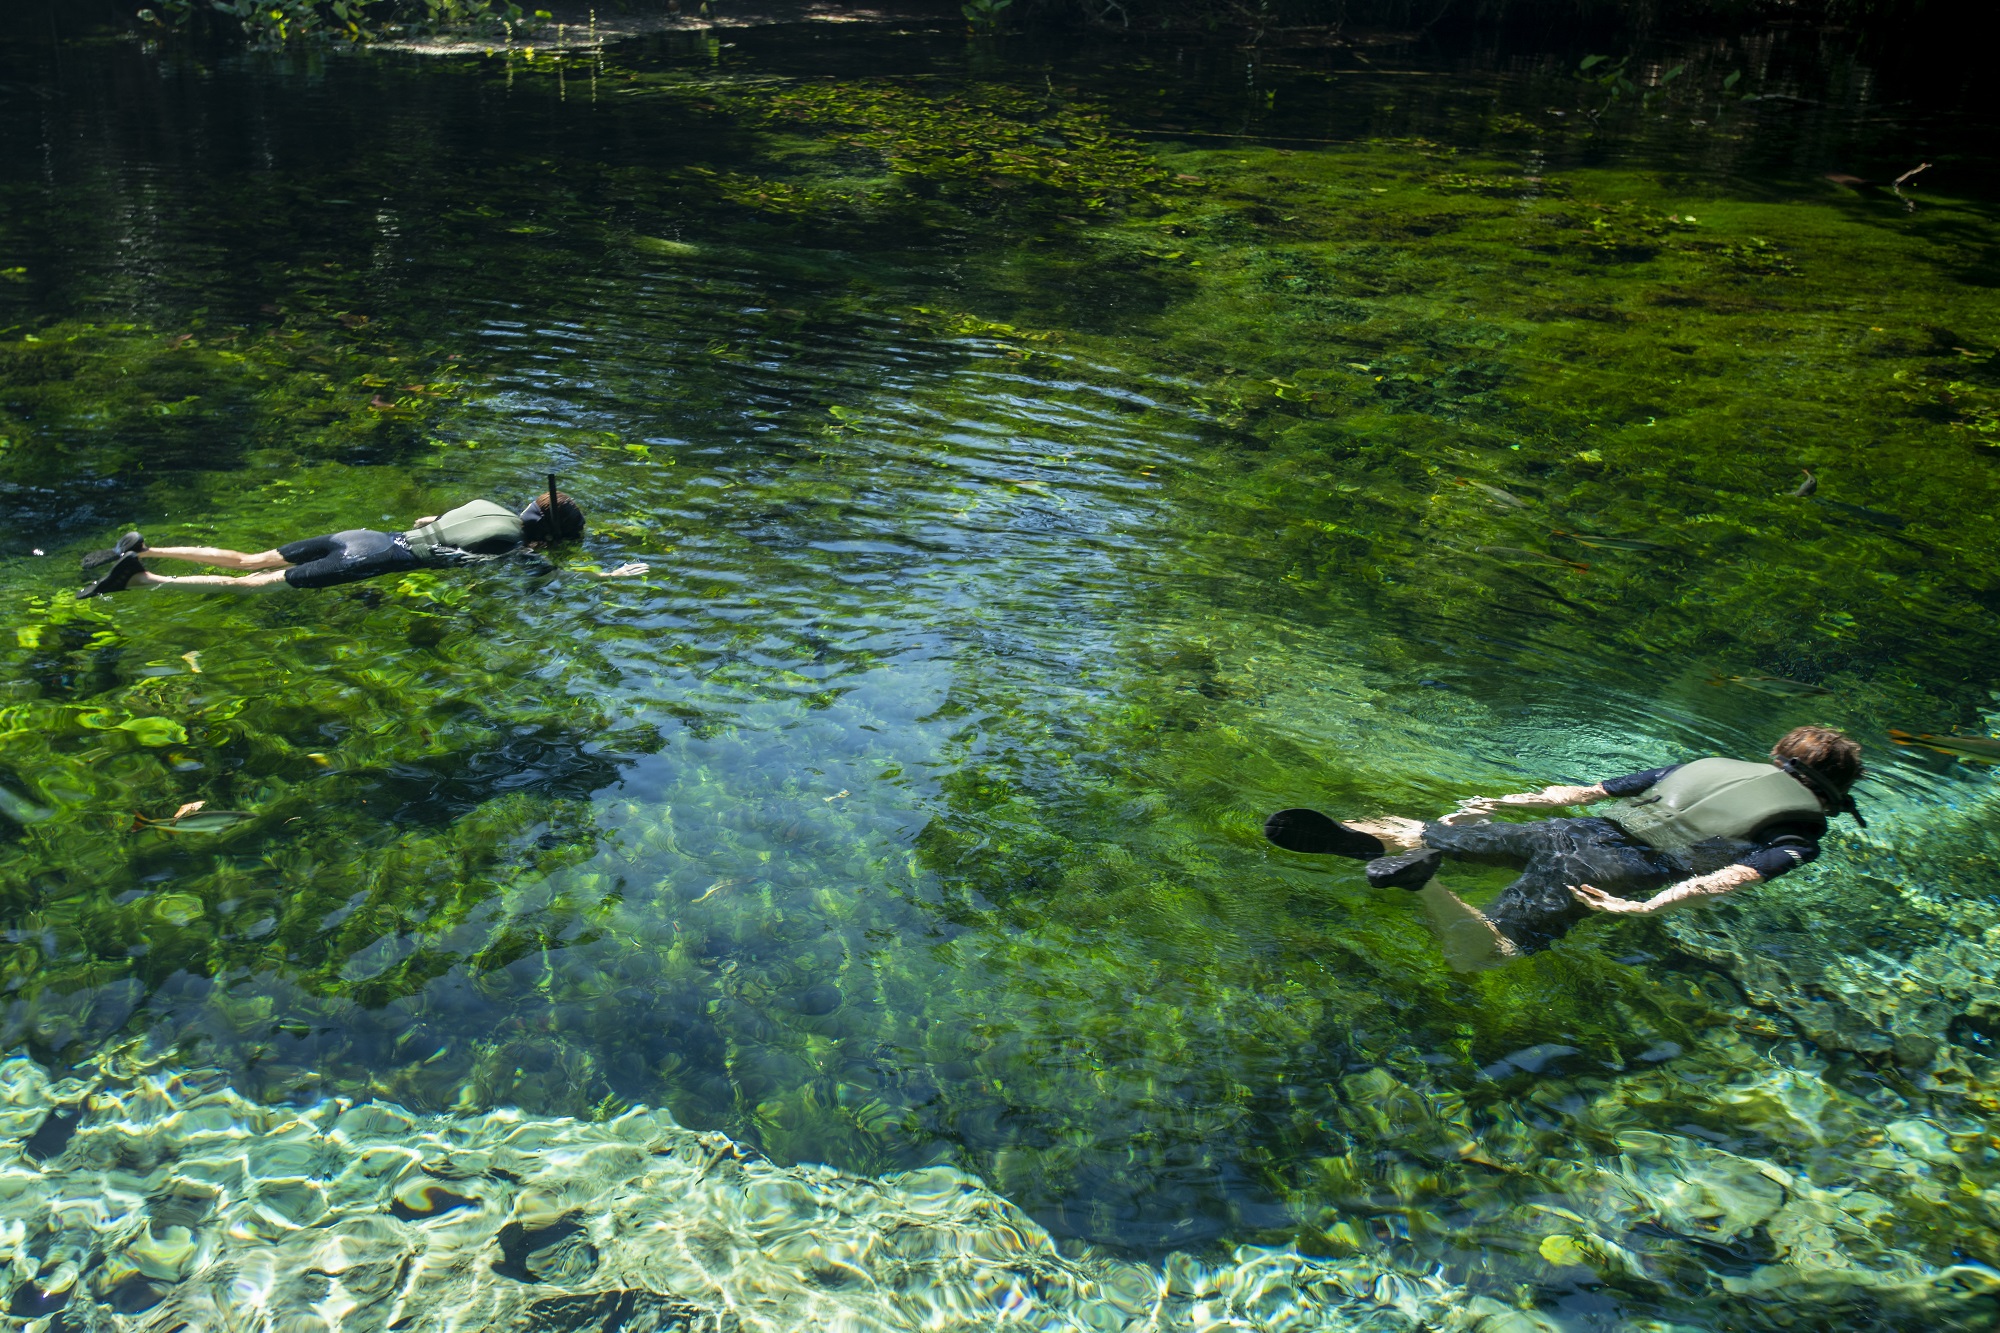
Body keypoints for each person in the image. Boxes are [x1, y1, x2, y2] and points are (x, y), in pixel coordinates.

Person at [1264, 725, 1865, 972]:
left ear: (1778, 754)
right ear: (1835, 789)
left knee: (1422, 829)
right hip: (1613, 868)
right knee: (1486, 954)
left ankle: (1385, 839)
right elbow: (1734, 877)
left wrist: (1499, 803)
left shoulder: (1703, 764)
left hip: (1570, 831)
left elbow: (1579, 793)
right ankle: (1426, 884)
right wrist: (1646, 908)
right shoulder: (1803, 829)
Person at [75, 485, 644, 597]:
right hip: (373, 557)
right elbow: (547, 573)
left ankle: (143, 548)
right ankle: (144, 579)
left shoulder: (487, 507)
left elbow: (433, 523)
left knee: (251, 556)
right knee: (249, 584)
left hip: (363, 534)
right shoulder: (513, 548)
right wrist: (606, 576)